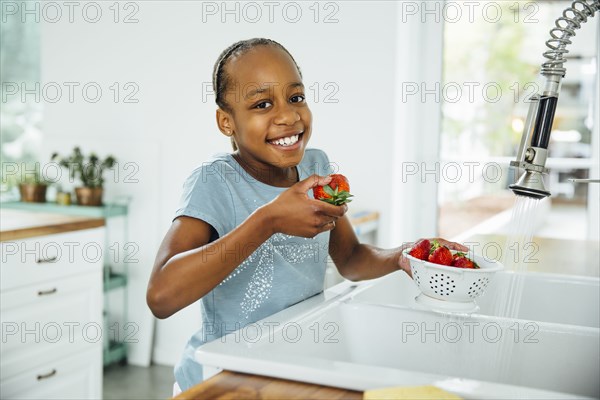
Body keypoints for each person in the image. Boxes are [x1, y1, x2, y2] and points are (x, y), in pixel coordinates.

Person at [146, 38, 467, 393]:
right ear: (226, 122)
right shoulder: (214, 181)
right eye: (262, 104)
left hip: (293, 365)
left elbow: (350, 258)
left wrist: (405, 254)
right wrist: (267, 220)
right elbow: (162, 296)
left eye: (296, 98)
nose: (287, 116)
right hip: (224, 376)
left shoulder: (316, 166)